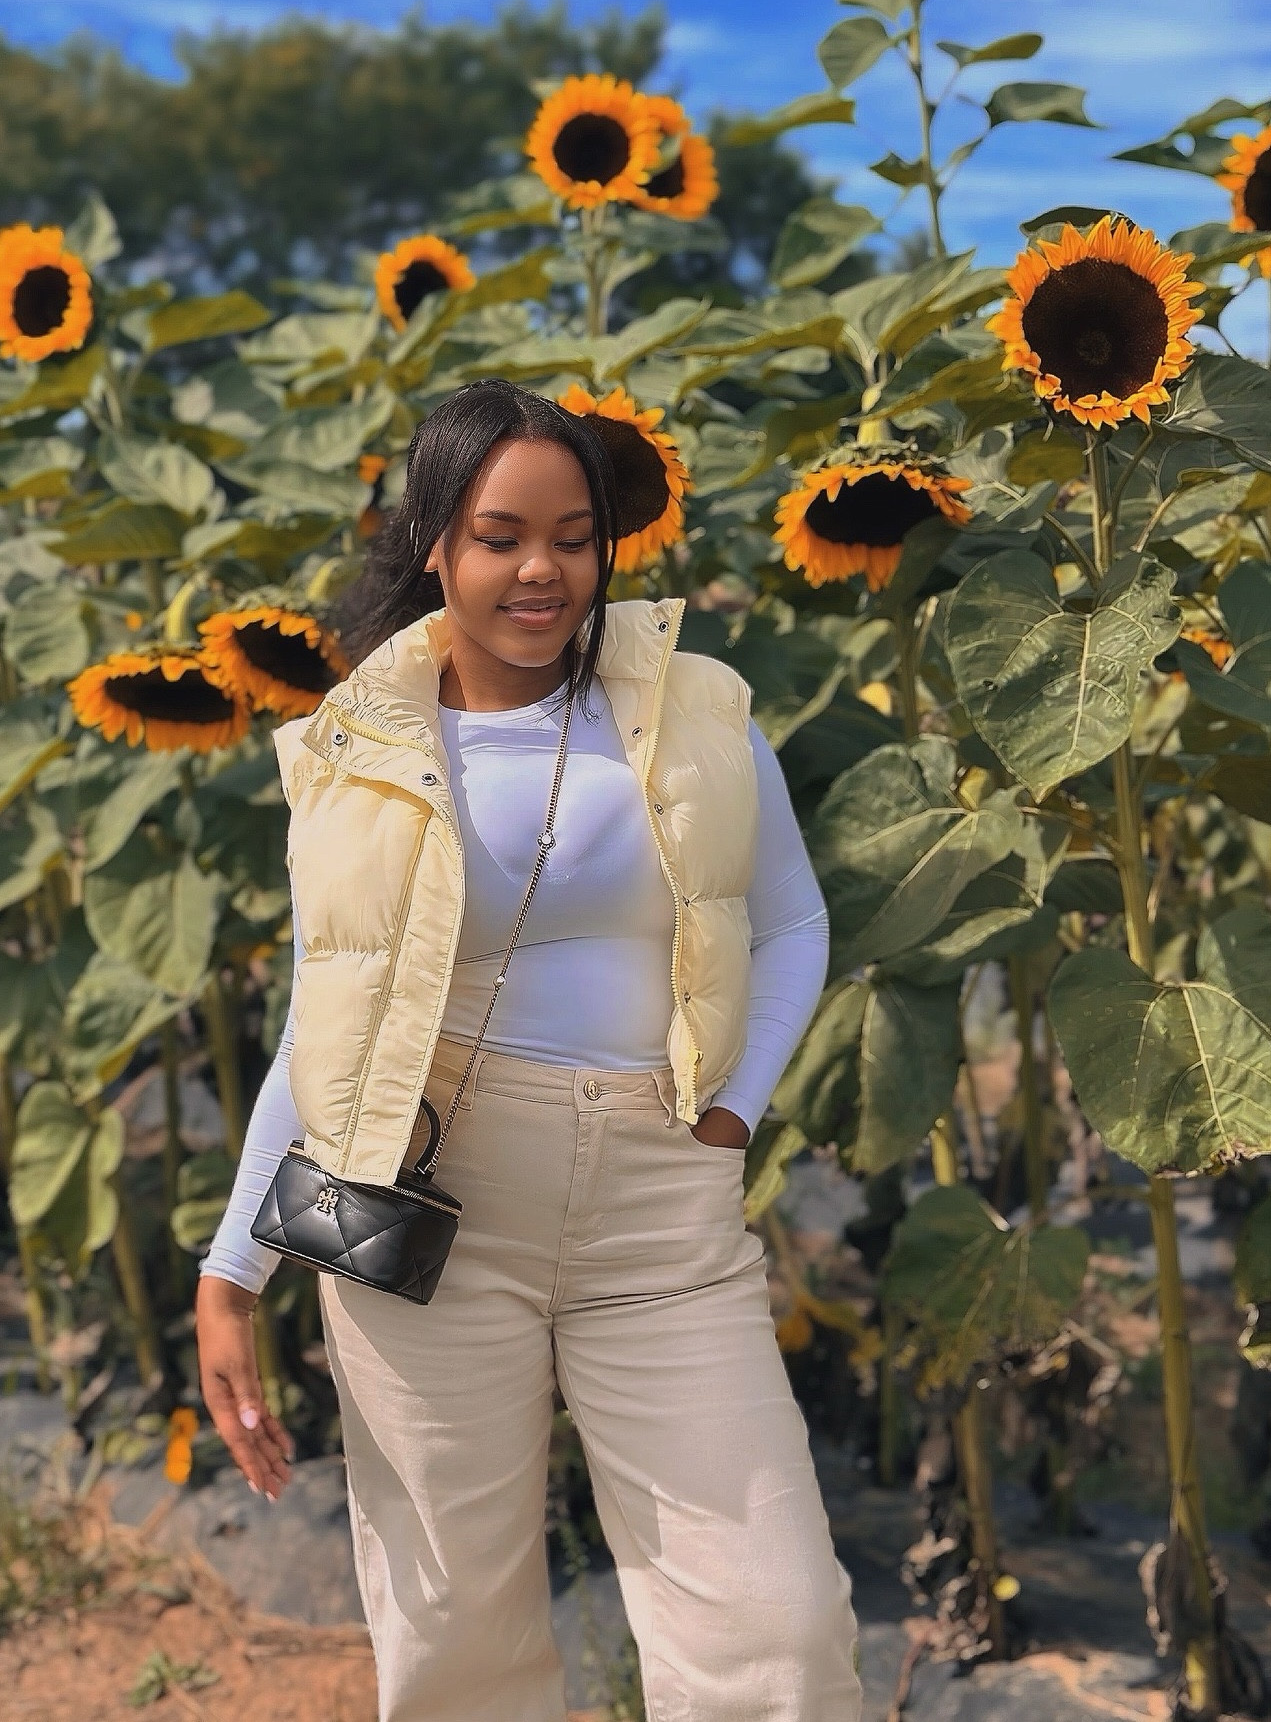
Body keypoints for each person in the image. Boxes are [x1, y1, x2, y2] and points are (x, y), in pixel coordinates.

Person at [195, 379, 863, 1721]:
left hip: (655, 1207)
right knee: (454, 1640)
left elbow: (791, 922)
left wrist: (730, 1108)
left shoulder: (696, 713)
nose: (542, 568)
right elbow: (323, 1020)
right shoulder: (349, 750)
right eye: (502, 534)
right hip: (419, 1203)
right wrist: (232, 1269)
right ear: (432, 539)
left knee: (777, 1629)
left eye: (574, 533)